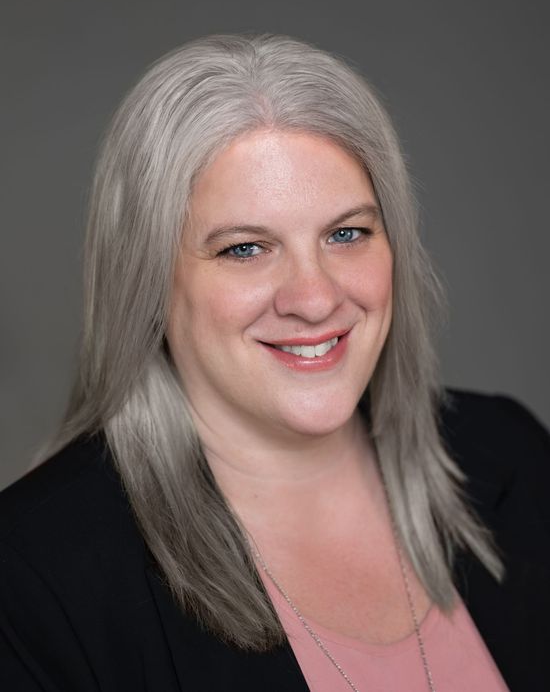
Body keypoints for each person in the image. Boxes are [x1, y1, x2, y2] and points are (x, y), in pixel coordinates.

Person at [0, 34, 548, 692]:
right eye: (245, 249)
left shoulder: (513, 453)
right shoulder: (32, 574)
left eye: (347, 234)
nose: (315, 299)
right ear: (146, 281)